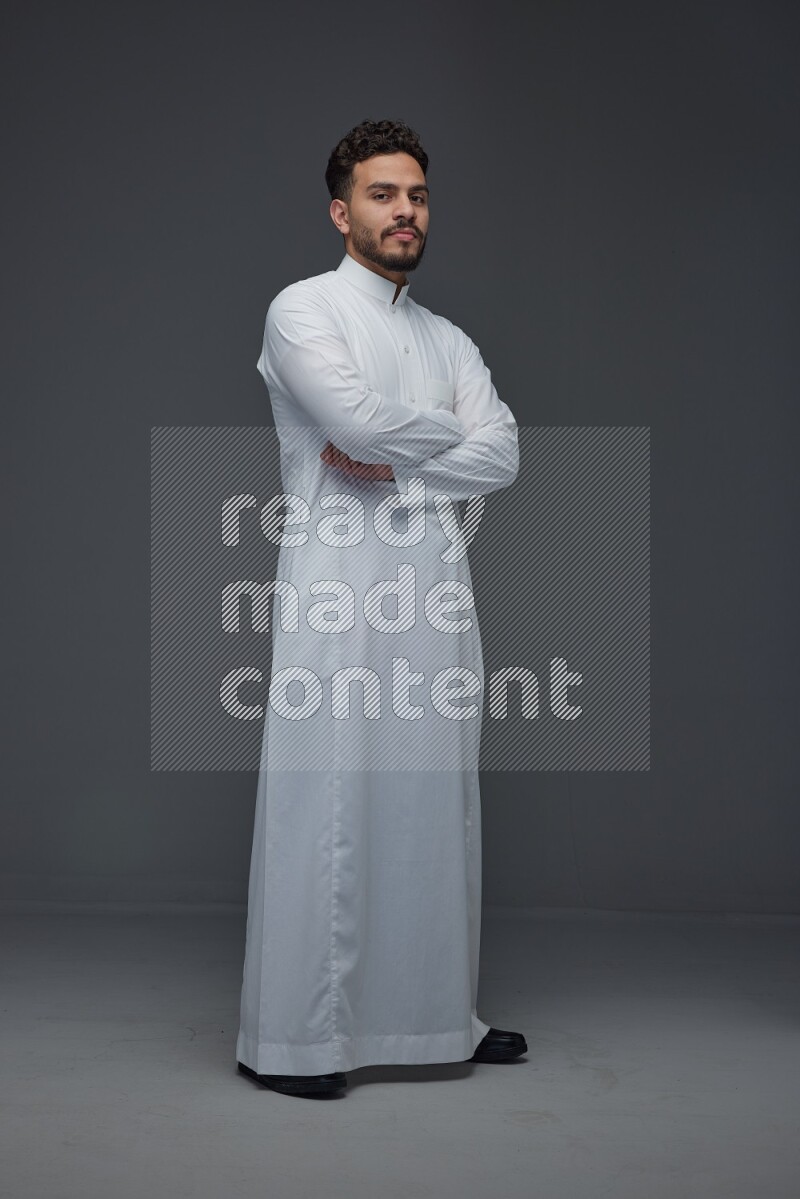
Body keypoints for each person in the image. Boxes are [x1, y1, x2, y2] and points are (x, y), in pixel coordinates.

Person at [236, 118, 526, 1098]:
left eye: (416, 196)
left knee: (431, 802)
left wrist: (394, 453)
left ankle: (438, 1015)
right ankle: (298, 1039)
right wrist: (435, 441)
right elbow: (353, 419)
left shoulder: (445, 336)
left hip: (435, 594)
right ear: (340, 209)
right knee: (329, 804)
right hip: (338, 591)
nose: (403, 210)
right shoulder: (302, 310)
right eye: (381, 194)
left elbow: (504, 453)